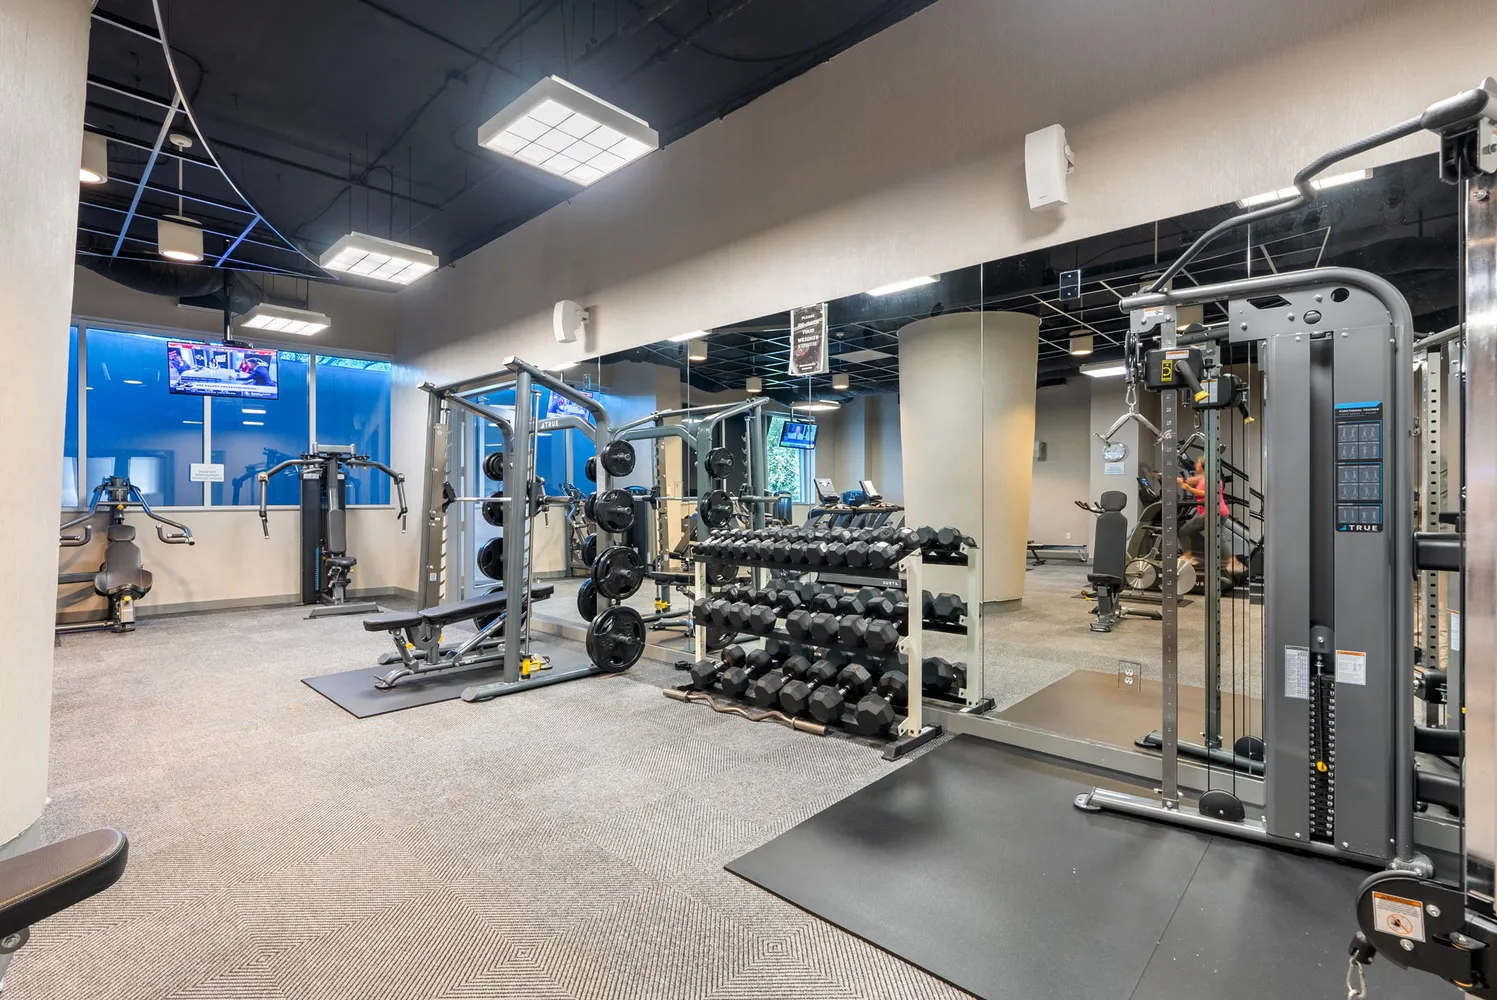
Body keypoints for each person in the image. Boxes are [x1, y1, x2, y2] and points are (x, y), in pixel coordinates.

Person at [1177, 456, 1246, 578]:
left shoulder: (1212, 479)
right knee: (1217, 537)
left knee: (1184, 531)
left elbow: (1209, 493)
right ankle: (1233, 562)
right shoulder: (1202, 477)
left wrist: (1189, 489)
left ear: (1203, 465)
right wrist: (1166, 476)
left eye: (1197, 463)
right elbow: (1186, 480)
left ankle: (1188, 557)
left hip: (1211, 513)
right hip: (1214, 512)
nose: (1195, 465)